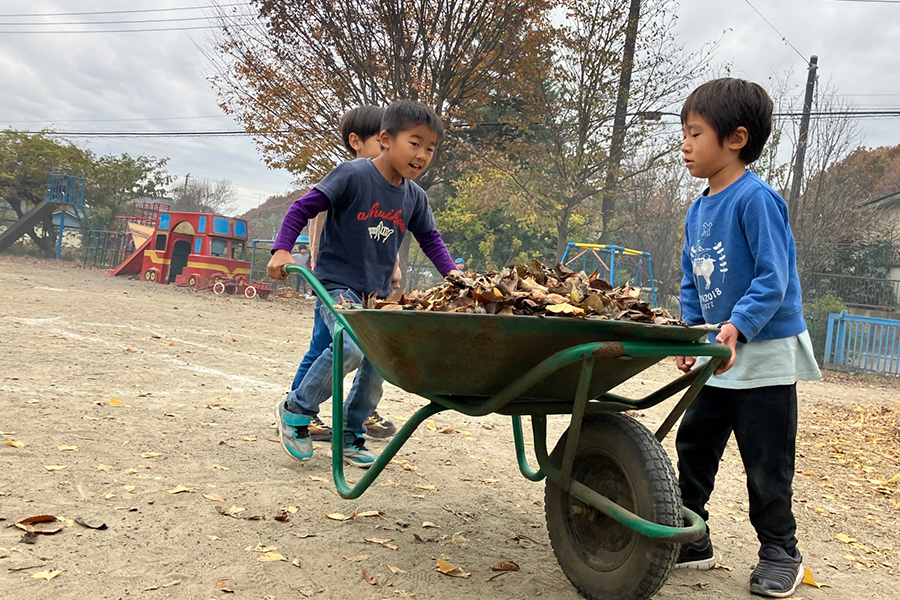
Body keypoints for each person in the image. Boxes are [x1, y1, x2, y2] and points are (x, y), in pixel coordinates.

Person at [674, 78, 821, 598]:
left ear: (735, 138)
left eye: (695, 133)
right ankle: (693, 538)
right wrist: (697, 338)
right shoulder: (697, 209)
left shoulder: (756, 200)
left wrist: (736, 325)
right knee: (692, 448)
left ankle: (780, 551)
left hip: (764, 357)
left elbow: (772, 277)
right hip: (719, 355)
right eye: (684, 133)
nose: (685, 144)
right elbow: (692, 278)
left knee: (765, 464)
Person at [267, 100, 458, 468]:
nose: (422, 155)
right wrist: (281, 250)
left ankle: (350, 432)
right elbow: (300, 208)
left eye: (431, 148)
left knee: (380, 361)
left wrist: (454, 277)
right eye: (415, 143)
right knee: (350, 345)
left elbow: (431, 239)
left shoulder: (414, 197)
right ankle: (295, 409)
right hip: (336, 285)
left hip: (377, 293)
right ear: (385, 139)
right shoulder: (353, 175)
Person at [292, 106, 398, 442]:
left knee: (355, 346)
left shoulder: (387, 187)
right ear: (356, 141)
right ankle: (299, 408)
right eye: (380, 144)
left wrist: (392, 271)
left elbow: (384, 236)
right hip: (336, 283)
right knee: (328, 345)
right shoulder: (346, 180)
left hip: (368, 285)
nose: (387, 150)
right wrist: (320, 272)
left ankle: (359, 411)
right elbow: (321, 228)